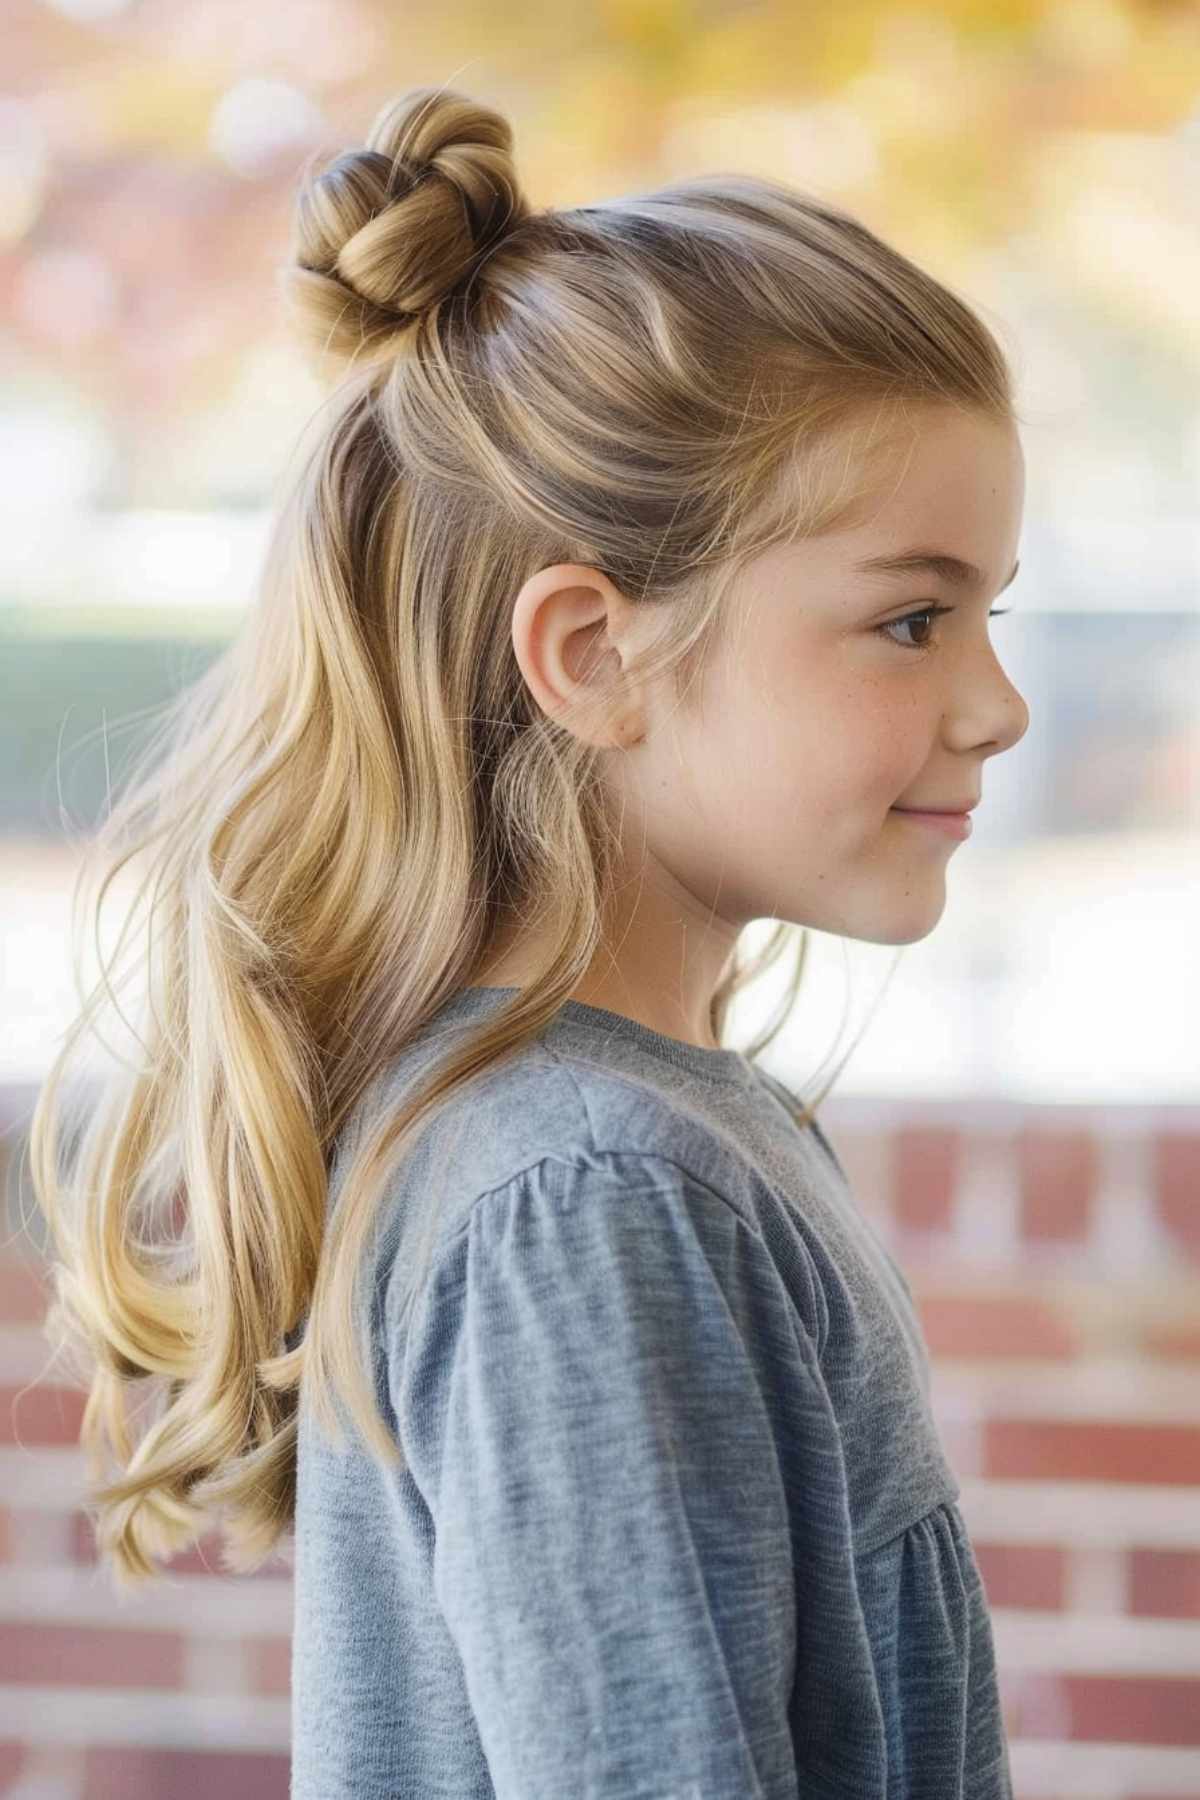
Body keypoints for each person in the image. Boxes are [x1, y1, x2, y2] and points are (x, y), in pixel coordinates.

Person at [29, 82, 1029, 1799]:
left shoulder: (639, 1143)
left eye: (987, 617)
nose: (995, 706)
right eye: (911, 620)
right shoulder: (585, 1192)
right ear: (591, 652)